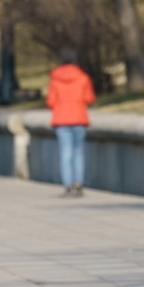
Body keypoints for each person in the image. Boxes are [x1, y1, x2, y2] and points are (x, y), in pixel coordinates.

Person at [46, 47, 96, 198]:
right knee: (78, 152)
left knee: (65, 153)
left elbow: (50, 101)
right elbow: (89, 98)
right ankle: (79, 184)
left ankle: (68, 185)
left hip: (61, 119)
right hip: (79, 118)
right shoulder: (82, 78)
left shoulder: (55, 79)